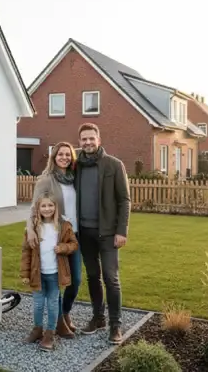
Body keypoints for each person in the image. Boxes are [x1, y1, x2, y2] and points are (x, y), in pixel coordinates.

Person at [74, 122, 131, 344]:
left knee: (111, 278)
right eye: (84, 139)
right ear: (79, 142)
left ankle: (115, 325)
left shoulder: (114, 165)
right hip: (84, 232)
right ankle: (98, 318)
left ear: (99, 140)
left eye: (91, 138)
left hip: (108, 233)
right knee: (92, 276)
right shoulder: (76, 165)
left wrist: (121, 231)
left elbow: (124, 200)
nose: (88, 142)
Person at [24, 142, 81, 339]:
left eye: (68, 154)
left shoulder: (74, 178)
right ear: (54, 157)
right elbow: (34, 207)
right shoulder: (46, 180)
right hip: (55, 236)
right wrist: (30, 229)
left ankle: (64, 312)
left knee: (75, 280)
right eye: (60, 154)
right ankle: (59, 323)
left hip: (74, 235)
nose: (64, 157)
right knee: (57, 278)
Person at [20, 192, 78, 352]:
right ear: (38, 208)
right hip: (37, 274)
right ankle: (37, 329)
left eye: (50, 205)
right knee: (38, 304)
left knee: (53, 304)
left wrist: (63, 248)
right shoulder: (33, 228)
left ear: (56, 207)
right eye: (43, 206)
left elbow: (74, 244)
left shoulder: (64, 226)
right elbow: (26, 252)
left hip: (54, 274)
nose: (47, 209)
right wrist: (25, 274)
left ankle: (50, 333)